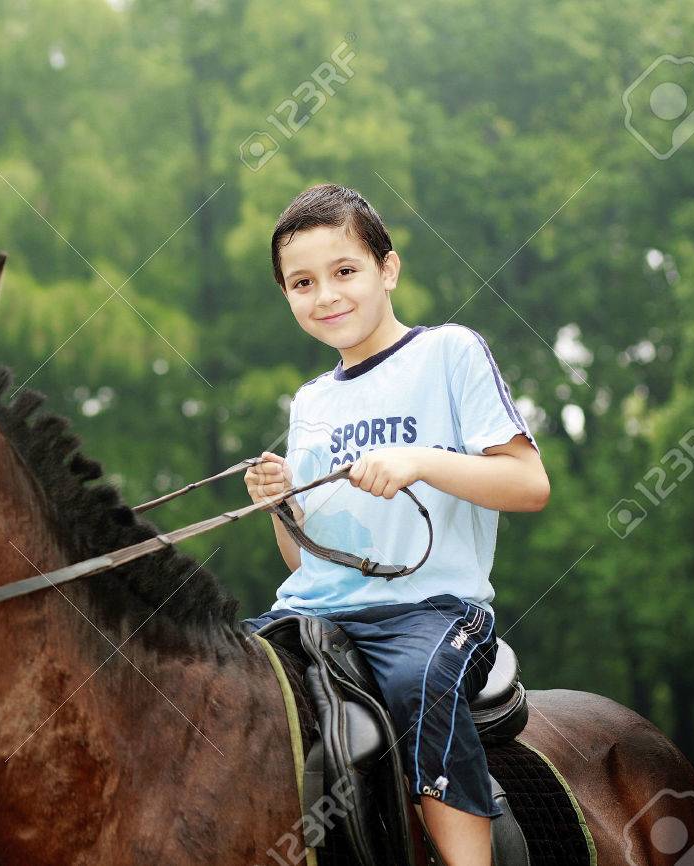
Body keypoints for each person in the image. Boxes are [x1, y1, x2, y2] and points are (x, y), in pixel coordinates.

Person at [243, 184, 550, 866]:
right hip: (314, 613)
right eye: (302, 282)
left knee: (418, 686)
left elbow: (530, 485)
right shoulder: (311, 403)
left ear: (388, 270)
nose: (325, 295)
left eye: (344, 271)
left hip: (431, 613)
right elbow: (307, 566)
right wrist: (281, 507)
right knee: (214, 673)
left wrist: (422, 461)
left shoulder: (448, 354)